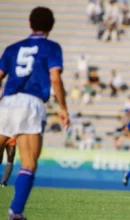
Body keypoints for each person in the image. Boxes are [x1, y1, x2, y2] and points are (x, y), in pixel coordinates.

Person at [0, 7, 70, 220]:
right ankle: (16, 211)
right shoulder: (52, 47)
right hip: (31, 103)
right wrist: (63, 108)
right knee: (28, 163)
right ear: (51, 26)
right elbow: (55, 78)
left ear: (30, 24)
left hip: (7, 102)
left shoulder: (13, 48)